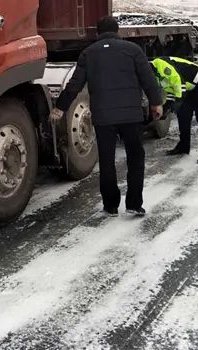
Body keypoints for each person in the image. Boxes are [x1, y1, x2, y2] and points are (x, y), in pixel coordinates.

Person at [51, 16, 163, 217]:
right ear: (118, 30)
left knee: (107, 160)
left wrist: (60, 107)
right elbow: (148, 79)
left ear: (97, 32)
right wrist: (156, 103)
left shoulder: (89, 53)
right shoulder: (133, 50)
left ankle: (110, 205)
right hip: (131, 116)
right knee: (136, 158)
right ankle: (134, 204)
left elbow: (75, 84)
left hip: (104, 118)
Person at [151, 56, 198, 164]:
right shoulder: (156, 75)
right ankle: (183, 147)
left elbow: (179, 85)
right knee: (183, 116)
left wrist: (175, 105)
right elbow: (171, 90)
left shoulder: (162, 66)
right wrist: (165, 108)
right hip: (188, 88)